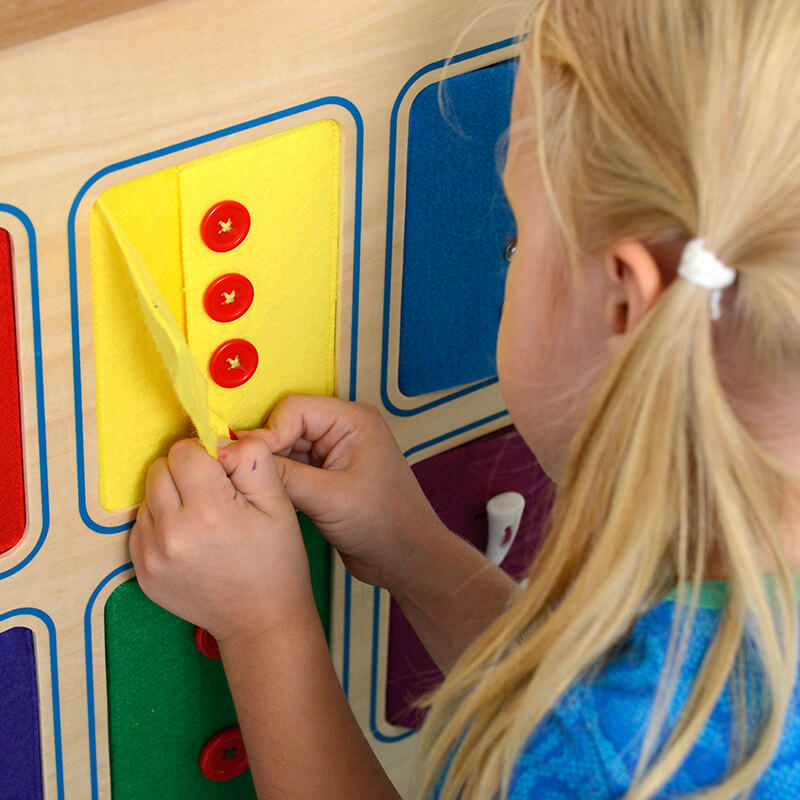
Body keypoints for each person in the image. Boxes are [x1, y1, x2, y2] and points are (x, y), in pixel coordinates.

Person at [129, 0, 800, 797]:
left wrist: (264, 627)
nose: (509, 256)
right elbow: (604, 685)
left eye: (517, 238)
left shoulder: (597, 759)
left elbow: (588, 731)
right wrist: (414, 550)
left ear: (625, 304)